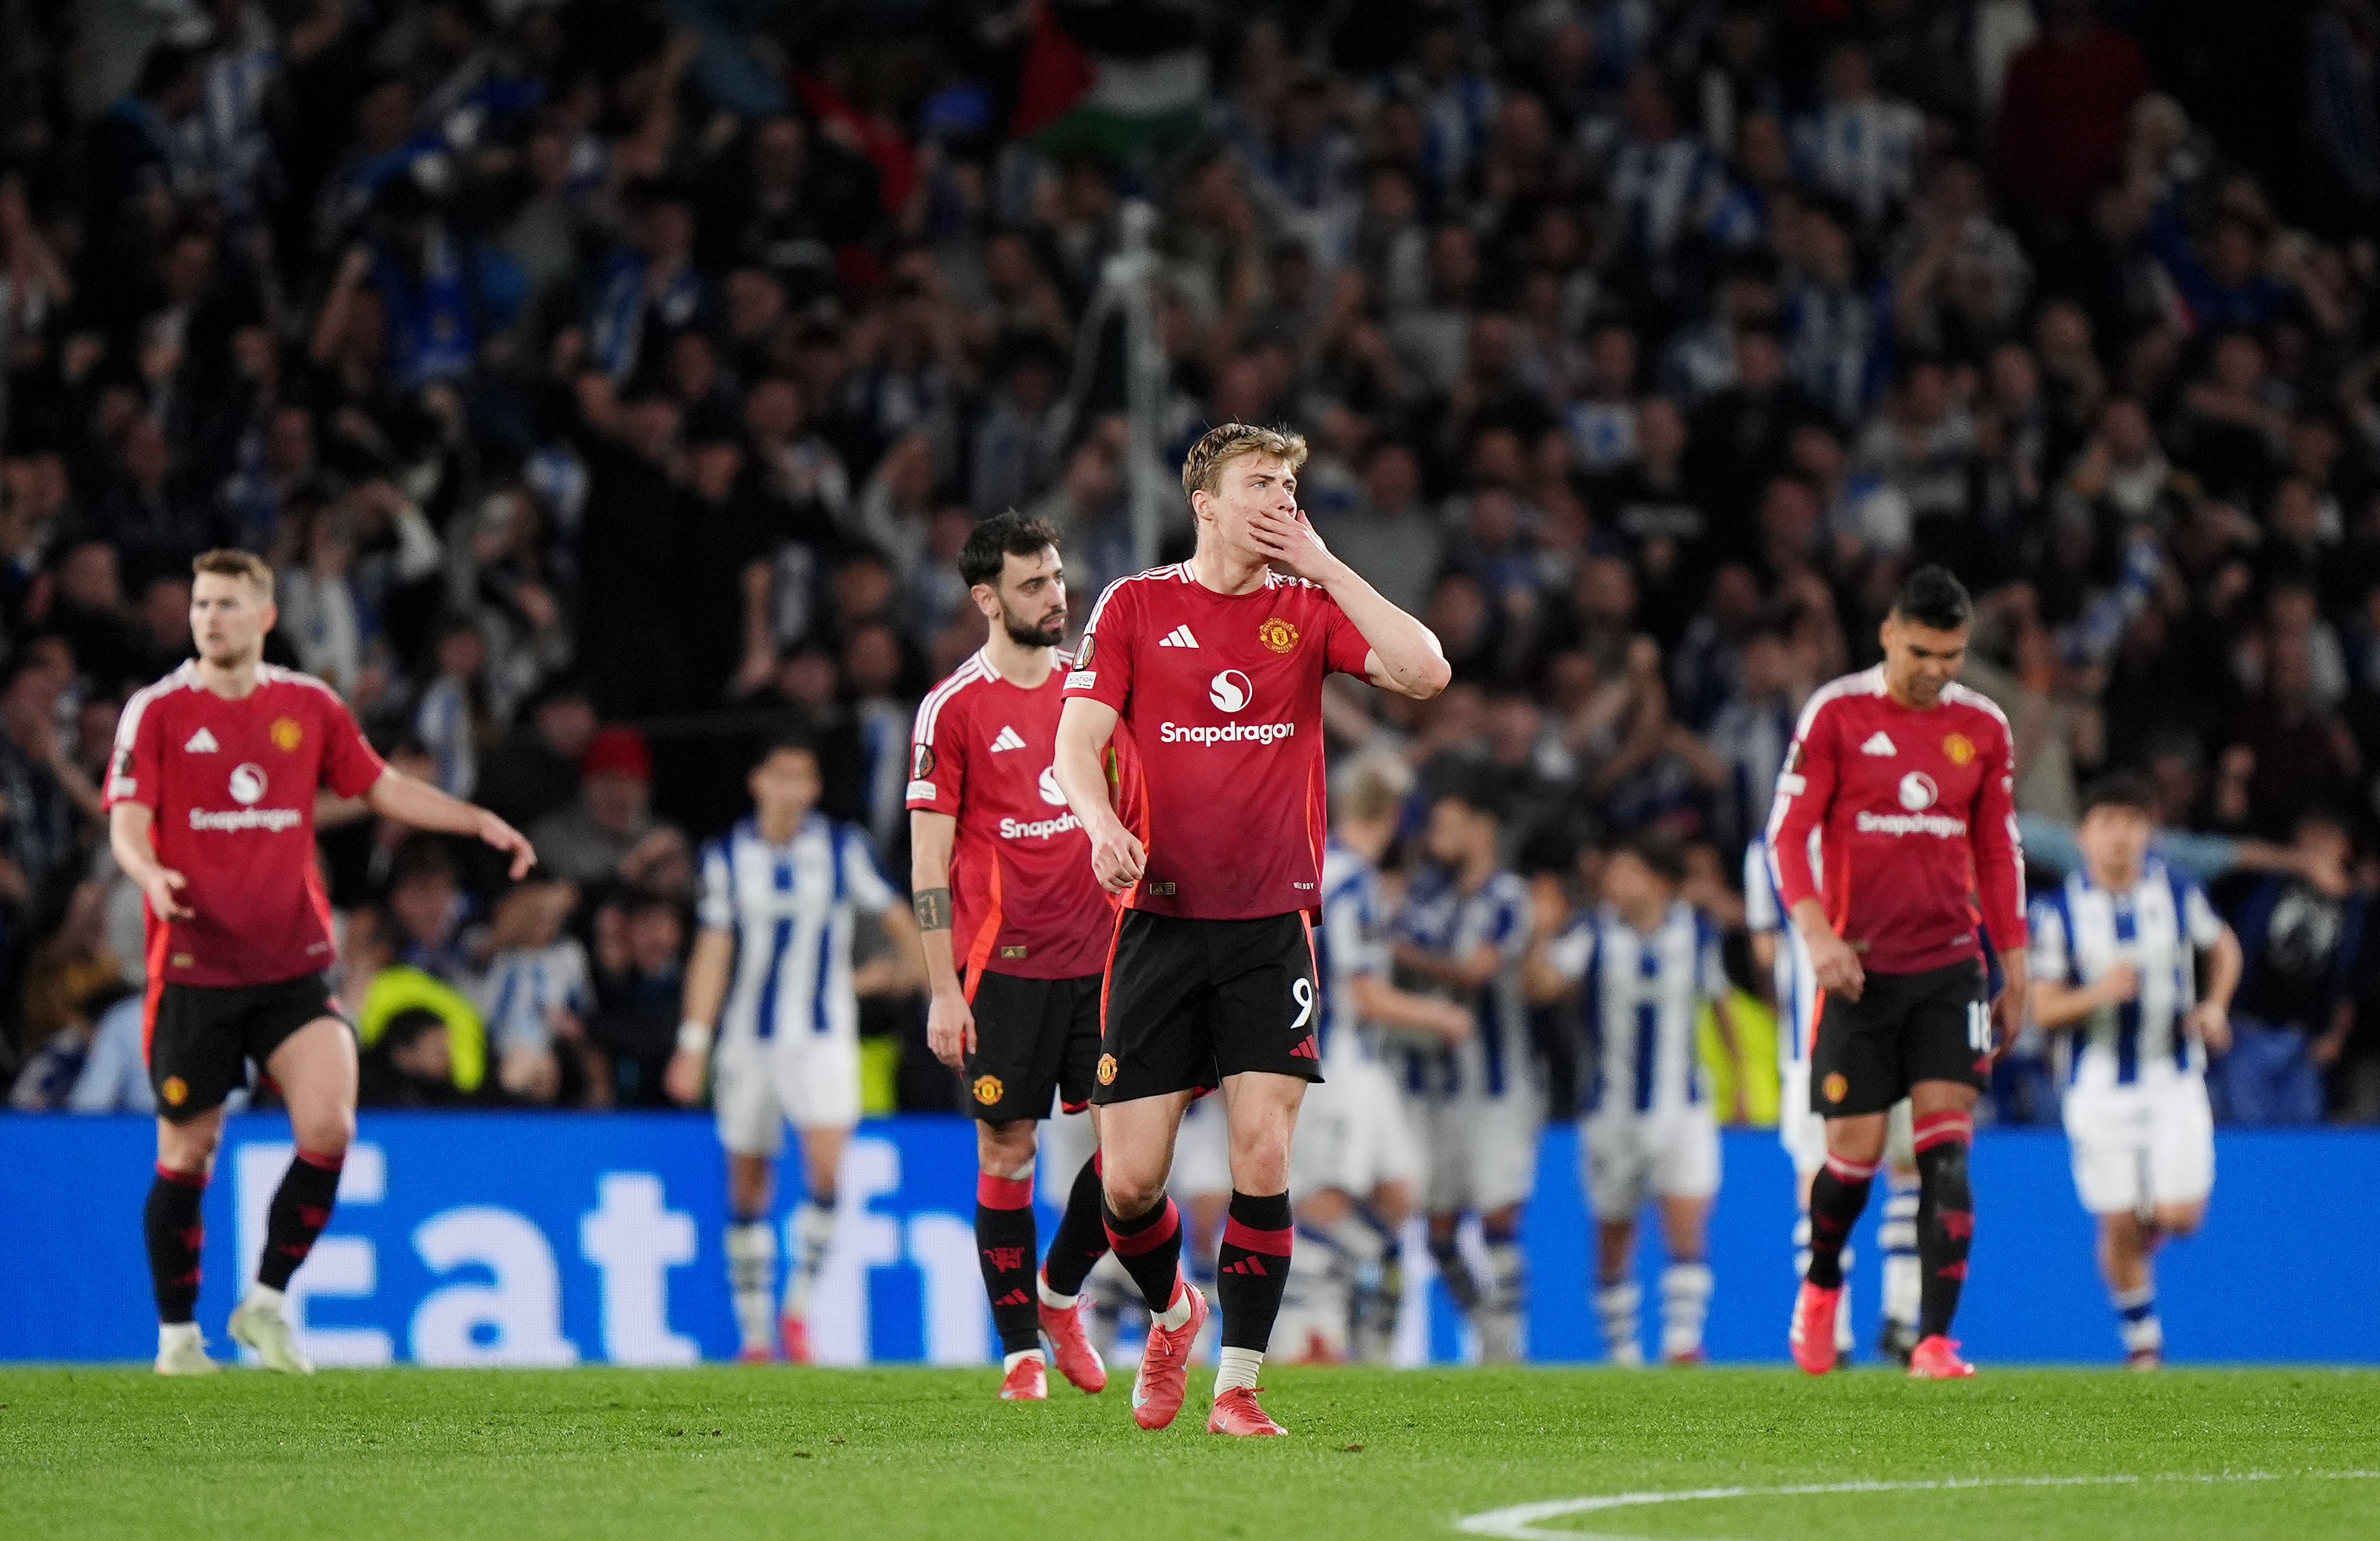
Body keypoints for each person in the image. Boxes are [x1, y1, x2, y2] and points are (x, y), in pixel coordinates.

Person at [1052, 423, 1450, 1437]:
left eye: (1288, 484)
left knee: (1263, 1156)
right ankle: (1173, 1312)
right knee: (1131, 1184)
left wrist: (1321, 560)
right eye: (1257, 484)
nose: (1277, 497)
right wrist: (1099, 822)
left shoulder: (1307, 608)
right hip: (1159, 922)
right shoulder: (1137, 605)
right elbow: (1077, 742)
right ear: (1206, 503)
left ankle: (1237, 1389)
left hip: (1272, 924)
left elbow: (1426, 672)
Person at [105, 549, 536, 1376]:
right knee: (188, 1153)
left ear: (265, 617)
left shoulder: (308, 706)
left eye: (228, 604)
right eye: (201, 604)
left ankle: (265, 1304)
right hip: (196, 967)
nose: (210, 618)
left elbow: (378, 788)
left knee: (330, 1127)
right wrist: (147, 870)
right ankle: (176, 1340)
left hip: (292, 969)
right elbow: (128, 815)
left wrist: (473, 819)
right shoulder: (156, 712)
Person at [1765, 563, 2028, 1380]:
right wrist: (1817, 937)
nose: (1938, 669)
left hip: (1951, 966)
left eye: (1952, 654)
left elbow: (1997, 850)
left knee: (1947, 1150)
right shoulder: (1838, 714)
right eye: (1923, 650)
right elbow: (1787, 837)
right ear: (1888, 633)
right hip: (1859, 973)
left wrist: (2013, 963)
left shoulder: (1983, 728)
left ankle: (1935, 1341)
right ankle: (1821, 1286)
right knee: (1852, 1160)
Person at [905, 512, 1125, 1401]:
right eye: (1034, 584)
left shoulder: (1092, 690)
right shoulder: (953, 707)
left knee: (1133, 1161)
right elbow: (928, 863)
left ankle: (1061, 1294)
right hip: (1004, 970)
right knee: (1008, 1150)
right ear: (987, 598)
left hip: (1105, 956)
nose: (1056, 596)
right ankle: (1020, 1353)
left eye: (1059, 578)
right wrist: (942, 991)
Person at [665, 734, 921, 1363]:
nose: (793, 789)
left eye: (805, 778)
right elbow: (714, 948)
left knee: (827, 1169)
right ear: (759, 781)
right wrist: (692, 1042)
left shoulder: (841, 848)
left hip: (822, 1037)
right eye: (782, 775)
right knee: (749, 1186)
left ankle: (798, 1311)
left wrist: (927, 979)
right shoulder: (726, 855)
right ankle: (755, 1336)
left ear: (813, 789)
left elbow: (896, 917)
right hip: (747, 1042)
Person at [2029, 772, 2240, 1369]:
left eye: (2132, 824)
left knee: (2182, 1217)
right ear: (2084, 836)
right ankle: (2142, 1345)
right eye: (2107, 824)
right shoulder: (2056, 911)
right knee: (2115, 1217)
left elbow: (2224, 947)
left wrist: (2215, 1006)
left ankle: (2141, 1229)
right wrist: (2098, 993)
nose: (2120, 837)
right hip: (2097, 1085)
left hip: (2172, 1076)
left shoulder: (2175, 892)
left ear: (2149, 833)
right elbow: (2043, 1010)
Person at [1278, 753, 1472, 1364]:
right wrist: (1440, 1015)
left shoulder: (1326, 868)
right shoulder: (1350, 881)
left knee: (1399, 1193)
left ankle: (1339, 1315)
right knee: (1327, 1200)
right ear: (1395, 815)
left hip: (1358, 1066)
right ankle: (1302, 1333)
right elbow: (1363, 994)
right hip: (1334, 1066)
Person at [1533, 832, 1740, 1367]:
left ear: (1660, 881)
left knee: (1688, 1223)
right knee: (1613, 1233)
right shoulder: (1592, 933)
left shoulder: (1696, 931)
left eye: (1628, 872)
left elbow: (1720, 1005)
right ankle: (1622, 1354)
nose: (1614, 883)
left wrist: (1739, 1083)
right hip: (1611, 1111)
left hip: (1684, 1107)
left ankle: (1682, 1344)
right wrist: (1539, 936)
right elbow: (1543, 987)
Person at [1745, 832, 1923, 1365]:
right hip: (1833, 1044)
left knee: (1838, 1178)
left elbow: (1766, 948)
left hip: (1831, 1039)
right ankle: (1891, 1318)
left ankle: (1847, 1329)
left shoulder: (1772, 846)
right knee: (1897, 1170)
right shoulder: (1886, 826)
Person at [1392, 777, 1539, 1365]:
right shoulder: (1431, 899)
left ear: (1484, 828)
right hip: (1435, 1090)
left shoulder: (1509, 897)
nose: (1437, 839)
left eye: (1449, 826)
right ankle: (1485, 1324)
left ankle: (1508, 1349)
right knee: (1439, 1231)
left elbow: (1478, 971)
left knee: (1499, 1213)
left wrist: (1402, 957)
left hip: (1499, 1090)